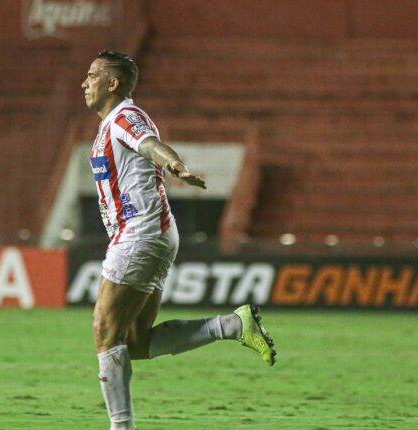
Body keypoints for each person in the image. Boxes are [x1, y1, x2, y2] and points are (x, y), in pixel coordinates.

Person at [82, 51, 276, 430]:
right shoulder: (108, 126)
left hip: (139, 232)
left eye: (92, 75)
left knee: (105, 333)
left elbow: (151, 144)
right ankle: (233, 326)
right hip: (150, 234)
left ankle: (121, 427)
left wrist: (176, 165)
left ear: (113, 83)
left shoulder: (125, 117)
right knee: (134, 343)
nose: (84, 82)